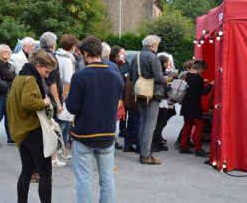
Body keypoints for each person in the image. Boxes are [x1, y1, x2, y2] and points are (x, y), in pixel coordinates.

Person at [66, 36, 124, 203]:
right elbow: (117, 102)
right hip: (107, 134)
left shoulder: (80, 76)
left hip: (84, 134)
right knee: (107, 180)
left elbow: (72, 108)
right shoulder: (116, 76)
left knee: (83, 181)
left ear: (85, 53)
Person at [7, 48, 57, 203]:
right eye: (46, 72)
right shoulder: (31, 80)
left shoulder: (18, 78)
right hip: (33, 131)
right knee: (45, 174)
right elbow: (28, 102)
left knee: (26, 172)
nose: (47, 75)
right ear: (38, 66)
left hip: (21, 132)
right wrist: (45, 102)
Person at [130, 35, 168, 164]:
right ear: (154, 45)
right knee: (150, 125)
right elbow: (158, 78)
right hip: (153, 94)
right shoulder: (153, 57)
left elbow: (131, 76)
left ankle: (142, 151)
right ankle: (146, 155)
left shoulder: (136, 57)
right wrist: (166, 79)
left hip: (139, 92)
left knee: (142, 123)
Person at [40, 32, 66, 167]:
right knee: (52, 128)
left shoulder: (40, 54)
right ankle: (53, 157)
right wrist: (58, 102)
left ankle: (52, 156)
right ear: (53, 44)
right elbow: (52, 83)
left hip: (44, 97)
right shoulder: (50, 58)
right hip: (50, 98)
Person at [179, 60, 214, 157]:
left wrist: (203, 81)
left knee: (187, 126)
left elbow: (191, 86)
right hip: (194, 106)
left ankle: (183, 146)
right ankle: (198, 148)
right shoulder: (198, 78)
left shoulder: (186, 75)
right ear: (201, 68)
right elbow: (204, 92)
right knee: (200, 126)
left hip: (186, 105)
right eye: (204, 69)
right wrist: (211, 85)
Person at [55, 33, 78, 160]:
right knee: (63, 125)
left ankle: (61, 150)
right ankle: (62, 151)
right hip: (64, 94)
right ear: (73, 46)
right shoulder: (68, 60)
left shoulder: (57, 55)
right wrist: (65, 96)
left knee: (61, 124)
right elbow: (68, 80)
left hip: (57, 93)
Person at [151, 55, 176, 152]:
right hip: (161, 99)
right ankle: (155, 142)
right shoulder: (159, 73)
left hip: (162, 99)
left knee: (161, 121)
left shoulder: (161, 72)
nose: (167, 65)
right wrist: (169, 84)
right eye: (166, 63)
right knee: (161, 121)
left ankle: (157, 141)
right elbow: (161, 86)